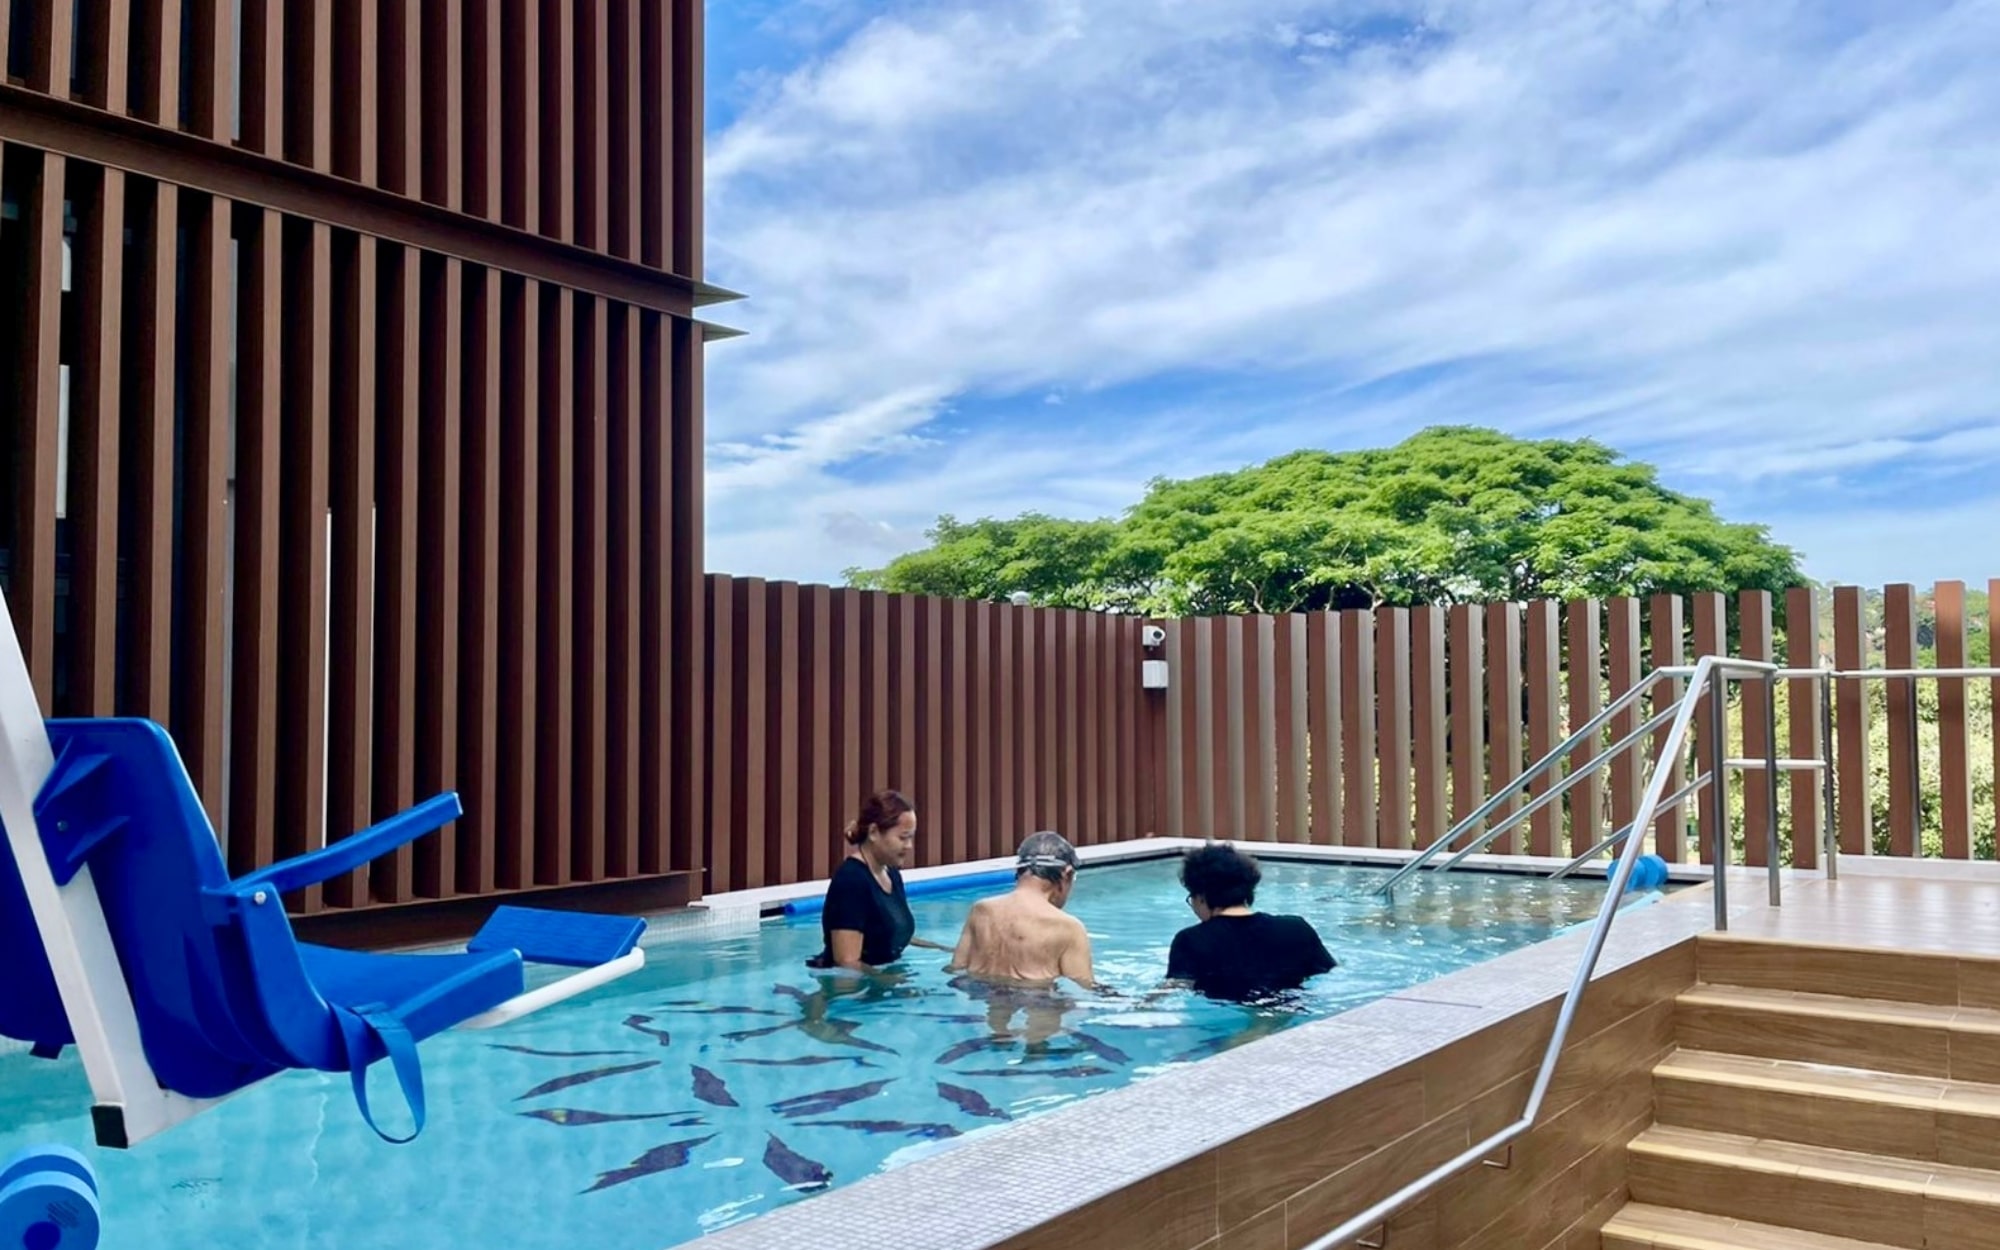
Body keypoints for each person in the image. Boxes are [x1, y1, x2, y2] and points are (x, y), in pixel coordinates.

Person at [1165, 842, 1335, 1002]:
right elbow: (1330, 972)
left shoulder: (1190, 940)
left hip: (1226, 1018)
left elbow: (1176, 987)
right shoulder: (1296, 928)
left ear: (1201, 897)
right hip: (1293, 1007)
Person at [807, 790, 951, 973]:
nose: (909, 846)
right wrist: (896, 986)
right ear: (874, 832)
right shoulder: (851, 881)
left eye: (911, 837)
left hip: (882, 983)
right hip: (852, 994)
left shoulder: (891, 873)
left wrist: (944, 950)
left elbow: (890, 931)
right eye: (902, 837)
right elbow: (847, 963)